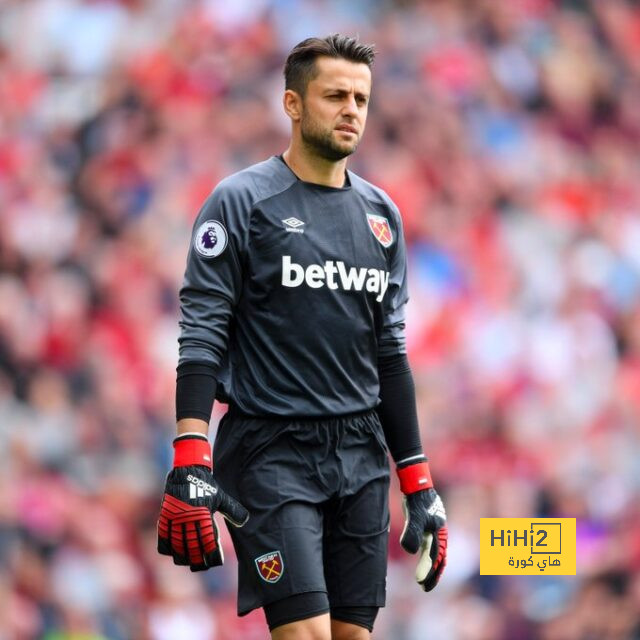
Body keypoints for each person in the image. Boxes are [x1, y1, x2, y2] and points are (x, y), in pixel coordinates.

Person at [157, 34, 447, 640]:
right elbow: (202, 330)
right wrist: (191, 449)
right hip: (269, 449)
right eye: (335, 95)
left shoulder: (382, 217)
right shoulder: (240, 201)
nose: (351, 111)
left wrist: (418, 483)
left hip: (361, 453)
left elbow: (389, 356)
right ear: (292, 103)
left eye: (362, 99)